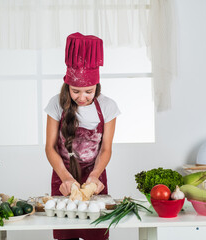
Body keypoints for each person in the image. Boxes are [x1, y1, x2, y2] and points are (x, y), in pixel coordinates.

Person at [44, 32, 120, 240]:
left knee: (95, 233)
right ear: (67, 86)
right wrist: (66, 177)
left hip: (95, 175)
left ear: (97, 86)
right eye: (76, 91)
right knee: (65, 233)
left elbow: (106, 149)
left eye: (89, 91)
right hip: (63, 175)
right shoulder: (56, 104)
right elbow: (50, 147)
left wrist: (95, 176)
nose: (83, 97)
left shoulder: (107, 106)